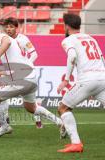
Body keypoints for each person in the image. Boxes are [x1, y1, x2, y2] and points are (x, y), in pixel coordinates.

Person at [0, 22, 64, 137]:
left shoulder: (3, 37)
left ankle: (4, 126)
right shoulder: (9, 46)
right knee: (31, 108)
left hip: (22, 79)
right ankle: (60, 122)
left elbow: (5, 43)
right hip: (31, 78)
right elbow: (10, 69)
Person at [56, 13, 105, 153]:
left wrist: (66, 80)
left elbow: (72, 56)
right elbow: (102, 59)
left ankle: (76, 144)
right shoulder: (91, 38)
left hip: (88, 80)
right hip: (102, 78)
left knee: (63, 108)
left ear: (66, 26)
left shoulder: (68, 40)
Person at [3, 17, 43, 129]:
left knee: (31, 102)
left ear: (16, 28)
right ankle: (5, 119)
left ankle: (38, 120)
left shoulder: (23, 39)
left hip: (25, 74)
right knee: (2, 96)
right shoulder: (5, 40)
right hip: (11, 73)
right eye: (6, 27)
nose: (8, 29)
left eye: (11, 27)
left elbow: (34, 54)